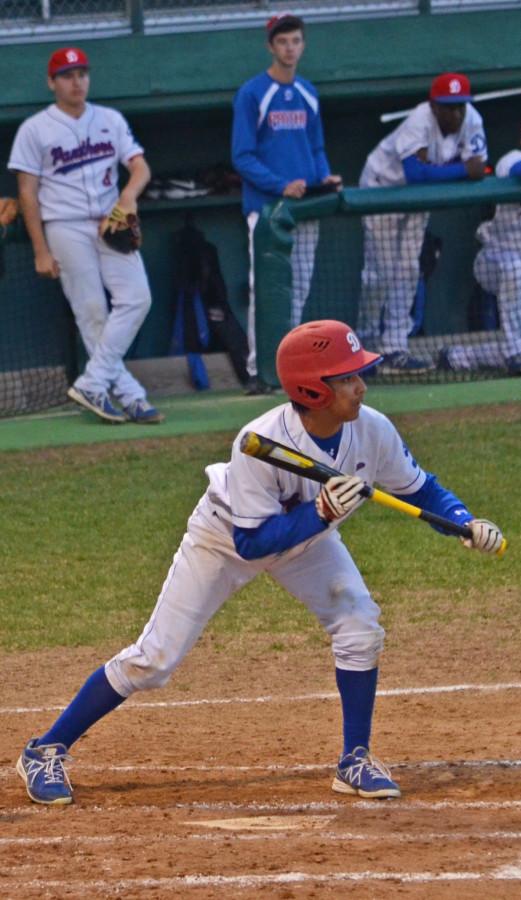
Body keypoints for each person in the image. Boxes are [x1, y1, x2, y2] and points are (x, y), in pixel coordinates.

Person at [15, 318, 504, 807]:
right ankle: (44, 749)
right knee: (155, 659)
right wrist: (320, 512)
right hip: (224, 537)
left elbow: (420, 489)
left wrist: (464, 521)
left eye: (358, 374)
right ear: (313, 390)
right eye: (347, 378)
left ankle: (354, 758)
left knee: (360, 624)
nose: (361, 385)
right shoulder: (259, 442)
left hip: (308, 540)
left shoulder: (371, 429)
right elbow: (252, 543)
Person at [7, 47, 164, 424]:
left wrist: (127, 198)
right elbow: (27, 194)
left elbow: (139, 167)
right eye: (66, 75)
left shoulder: (109, 119)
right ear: (51, 82)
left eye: (81, 74)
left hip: (110, 221)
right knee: (92, 311)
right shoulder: (34, 129)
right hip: (65, 225)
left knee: (138, 298)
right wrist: (40, 250)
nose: (76, 81)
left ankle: (93, 382)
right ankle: (131, 395)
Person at [232, 14, 342, 395]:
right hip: (267, 210)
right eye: (282, 42)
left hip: (306, 208)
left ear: (303, 44)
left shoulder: (309, 92)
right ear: (270, 46)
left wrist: (323, 178)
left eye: (296, 40)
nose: (290, 48)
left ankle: (290, 368)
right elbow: (242, 156)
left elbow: (316, 148)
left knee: (299, 288)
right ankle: (259, 370)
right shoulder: (252, 93)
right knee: (265, 288)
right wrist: (281, 185)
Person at [358, 72, 488, 374]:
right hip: (382, 189)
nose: (456, 113)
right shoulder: (420, 119)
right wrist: (461, 169)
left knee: (407, 270)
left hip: (417, 199)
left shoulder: (473, 120)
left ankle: (395, 347)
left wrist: (456, 171)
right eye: (448, 106)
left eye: (460, 106)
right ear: (434, 106)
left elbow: (479, 170)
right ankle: (362, 345)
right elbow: (416, 173)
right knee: (379, 273)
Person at [440, 144, 521, 376]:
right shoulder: (511, 158)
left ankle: (458, 357)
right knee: (516, 269)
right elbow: (518, 169)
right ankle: (515, 353)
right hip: (495, 260)